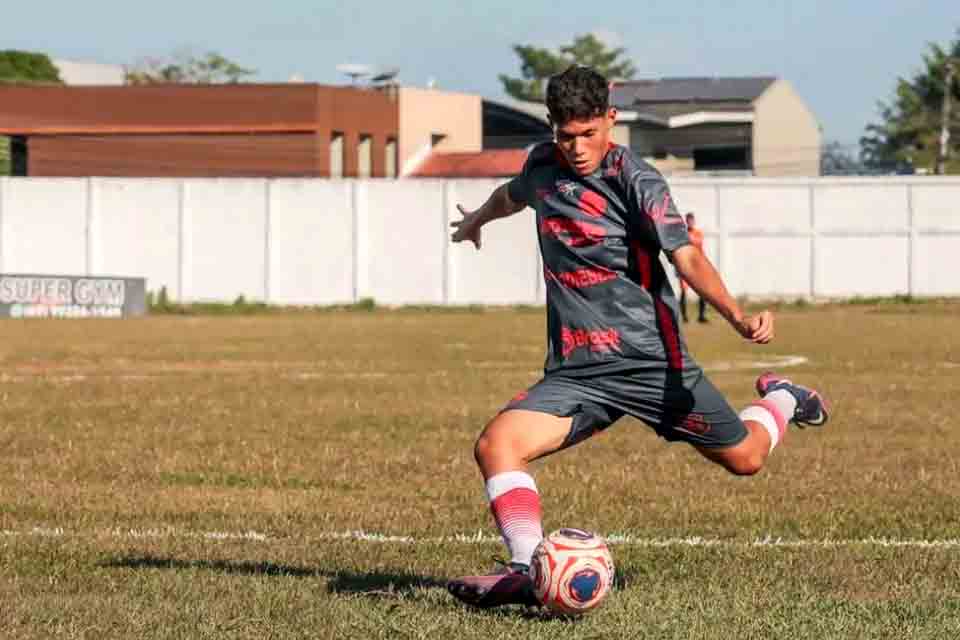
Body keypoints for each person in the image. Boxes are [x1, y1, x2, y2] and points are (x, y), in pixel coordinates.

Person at [446, 65, 829, 609]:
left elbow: (687, 256)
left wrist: (736, 316)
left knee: (746, 459)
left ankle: (784, 397)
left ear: (610, 119)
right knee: (496, 445)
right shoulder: (542, 167)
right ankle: (525, 569)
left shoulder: (637, 181)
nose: (577, 148)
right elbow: (514, 194)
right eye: (565, 135)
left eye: (588, 134)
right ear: (552, 129)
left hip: (651, 363)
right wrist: (478, 220)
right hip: (577, 372)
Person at [678, 212, 708, 323]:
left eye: (692, 220)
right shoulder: (682, 233)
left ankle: (701, 316)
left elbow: (700, 249)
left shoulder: (698, 233)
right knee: (684, 291)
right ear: (686, 221)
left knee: (702, 291)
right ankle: (684, 317)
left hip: (697, 266)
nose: (690, 222)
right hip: (685, 266)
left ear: (693, 221)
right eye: (688, 220)